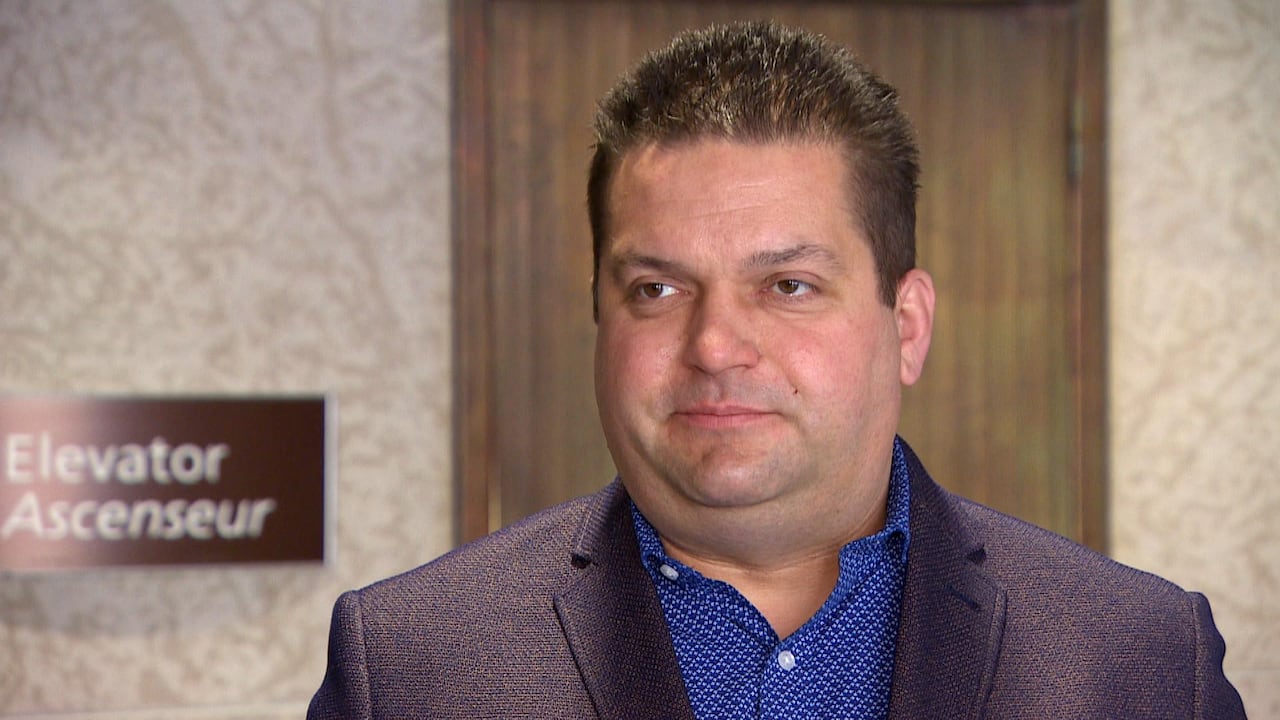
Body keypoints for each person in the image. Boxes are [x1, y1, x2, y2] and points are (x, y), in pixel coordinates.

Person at [309, 21, 1245, 719]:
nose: (716, 345)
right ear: (600, 315)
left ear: (907, 325)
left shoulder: (1144, 663)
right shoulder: (410, 666)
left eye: (788, 284)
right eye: (657, 291)